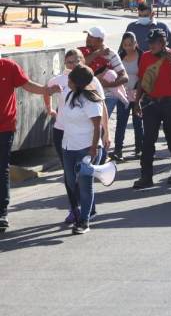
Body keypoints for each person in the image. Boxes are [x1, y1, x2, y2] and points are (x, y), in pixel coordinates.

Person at [45, 49, 109, 223]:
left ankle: (85, 217)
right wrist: (50, 107)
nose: (71, 66)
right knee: (71, 179)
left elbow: (98, 123)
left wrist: (98, 144)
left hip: (87, 145)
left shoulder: (91, 94)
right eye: (69, 62)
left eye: (76, 62)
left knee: (84, 180)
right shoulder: (68, 91)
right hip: (68, 142)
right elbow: (49, 96)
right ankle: (76, 208)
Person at [1, 58, 62, 231]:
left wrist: (47, 90)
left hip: (4, 128)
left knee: (2, 168)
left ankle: (2, 213)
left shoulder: (9, 66)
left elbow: (27, 85)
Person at [132, 29, 171, 189]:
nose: (151, 46)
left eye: (154, 42)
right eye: (149, 43)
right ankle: (146, 176)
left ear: (163, 43)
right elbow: (142, 80)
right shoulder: (145, 57)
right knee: (148, 140)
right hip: (150, 104)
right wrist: (137, 102)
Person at [58, 65, 105, 235]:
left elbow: (97, 127)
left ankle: (84, 221)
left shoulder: (90, 100)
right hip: (68, 147)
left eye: (71, 79)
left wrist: (93, 149)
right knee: (70, 182)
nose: (68, 81)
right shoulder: (70, 95)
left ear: (78, 82)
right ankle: (78, 212)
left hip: (87, 148)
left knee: (85, 185)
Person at [79, 26, 129, 119]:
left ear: (100, 40)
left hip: (107, 97)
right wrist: (97, 53)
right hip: (86, 96)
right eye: (87, 36)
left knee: (101, 127)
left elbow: (124, 77)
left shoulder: (111, 54)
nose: (87, 39)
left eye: (91, 37)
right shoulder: (83, 52)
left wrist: (108, 84)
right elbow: (79, 65)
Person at [113, 33, 144, 162]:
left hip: (138, 94)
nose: (128, 47)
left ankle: (139, 149)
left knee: (138, 122)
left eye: (130, 44)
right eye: (125, 45)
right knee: (121, 122)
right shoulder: (119, 57)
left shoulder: (142, 56)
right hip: (123, 94)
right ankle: (118, 150)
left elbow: (145, 75)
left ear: (136, 43)